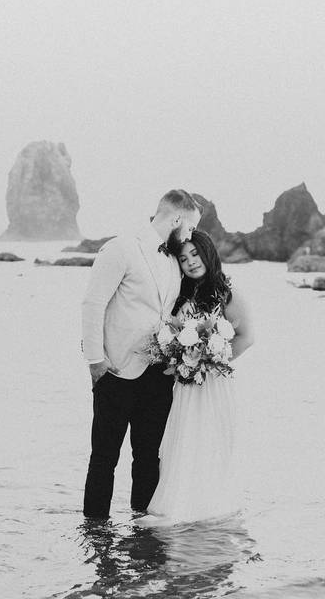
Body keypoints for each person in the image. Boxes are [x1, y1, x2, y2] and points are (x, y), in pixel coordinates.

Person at [80, 189, 203, 519]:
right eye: (189, 228)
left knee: (149, 456)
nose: (190, 236)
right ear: (176, 219)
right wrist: (96, 362)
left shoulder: (173, 262)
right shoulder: (121, 248)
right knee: (105, 457)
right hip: (116, 371)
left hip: (157, 373)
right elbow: (93, 304)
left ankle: (141, 528)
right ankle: (96, 532)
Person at [141, 229, 255, 524]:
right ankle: (180, 503)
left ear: (208, 254)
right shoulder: (179, 296)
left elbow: (246, 337)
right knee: (183, 442)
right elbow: (169, 335)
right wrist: (184, 359)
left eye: (195, 254)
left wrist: (212, 360)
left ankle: (209, 508)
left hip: (214, 382)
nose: (190, 262)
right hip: (185, 384)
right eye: (183, 258)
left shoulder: (227, 294)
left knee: (212, 442)